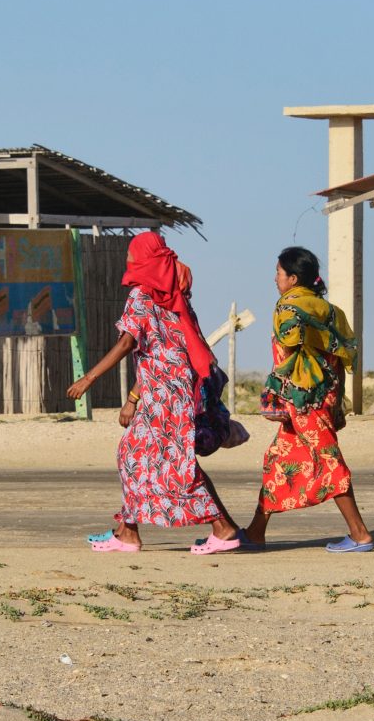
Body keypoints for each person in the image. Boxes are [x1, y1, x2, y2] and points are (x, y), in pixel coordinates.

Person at [64, 232, 242, 554]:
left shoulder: (142, 297)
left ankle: (223, 527)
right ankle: (127, 531)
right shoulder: (175, 298)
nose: (129, 261)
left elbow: (128, 343)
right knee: (135, 455)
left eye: (133, 255)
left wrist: (88, 378)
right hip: (170, 392)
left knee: (168, 461)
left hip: (164, 396)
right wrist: (133, 399)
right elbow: (159, 355)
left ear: (144, 260)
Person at [241, 247, 374, 553]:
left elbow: (287, 353)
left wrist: (275, 395)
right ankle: (256, 531)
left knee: (328, 459)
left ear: (292, 278)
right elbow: (342, 357)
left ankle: (359, 533)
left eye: (278, 273)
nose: (274, 278)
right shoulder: (329, 311)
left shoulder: (288, 308)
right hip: (325, 396)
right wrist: (338, 399)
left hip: (302, 400)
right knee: (278, 459)